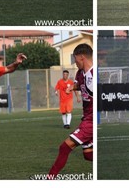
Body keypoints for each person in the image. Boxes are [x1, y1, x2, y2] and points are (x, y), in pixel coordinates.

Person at [48, 43, 93, 178]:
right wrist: (72, 88)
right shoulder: (80, 73)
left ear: (81, 57)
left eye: (74, 59)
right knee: (88, 154)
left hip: (91, 121)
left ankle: (50, 178)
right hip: (86, 118)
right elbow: (80, 85)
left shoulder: (95, 74)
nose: (74, 62)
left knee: (64, 147)